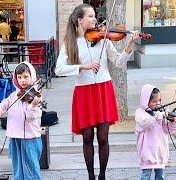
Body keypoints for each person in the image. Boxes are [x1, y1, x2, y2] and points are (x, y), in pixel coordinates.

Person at [55, 3, 139, 180]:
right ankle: (91, 176)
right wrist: (82, 67)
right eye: (91, 16)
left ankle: (102, 176)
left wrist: (130, 44)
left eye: (95, 16)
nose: (95, 20)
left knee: (103, 138)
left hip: (103, 89)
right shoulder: (70, 42)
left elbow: (118, 62)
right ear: (80, 20)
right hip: (83, 93)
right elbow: (59, 69)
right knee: (87, 137)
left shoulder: (103, 39)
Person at [0, 62, 43, 180]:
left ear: (32, 77)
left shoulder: (36, 96)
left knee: (31, 169)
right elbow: (2, 105)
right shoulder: (14, 95)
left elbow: (31, 118)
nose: (22, 80)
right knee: (18, 168)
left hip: (30, 138)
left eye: (25, 77)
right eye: (19, 77)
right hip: (14, 137)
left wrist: (33, 106)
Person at [135, 84, 176, 180]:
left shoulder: (160, 113)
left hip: (160, 152)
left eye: (159, 100)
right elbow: (145, 123)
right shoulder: (140, 113)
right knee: (145, 176)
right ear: (146, 101)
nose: (158, 104)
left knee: (160, 177)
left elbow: (168, 130)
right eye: (154, 101)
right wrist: (158, 116)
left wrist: (174, 123)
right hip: (147, 154)